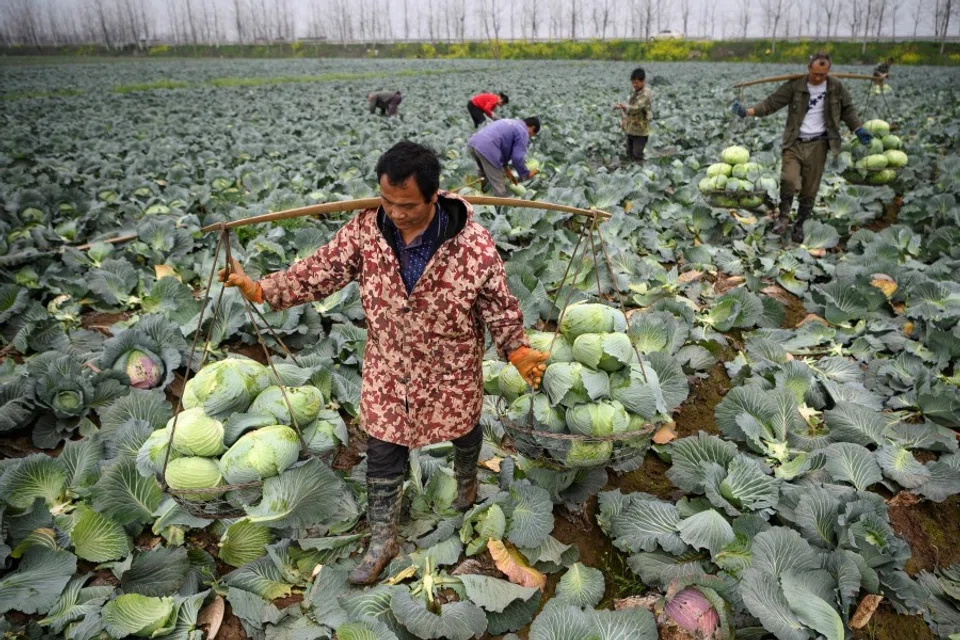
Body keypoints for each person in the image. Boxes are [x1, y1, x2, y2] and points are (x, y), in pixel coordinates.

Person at [219, 141, 549, 585]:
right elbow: (319, 271)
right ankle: (382, 539)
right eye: (387, 201)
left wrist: (516, 348)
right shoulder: (365, 231)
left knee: (464, 426)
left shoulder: (472, 245)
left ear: (434, 197)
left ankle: (466, 480)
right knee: (382, 446)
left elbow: (499, 302)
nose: (395, 212)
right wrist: (262, 289)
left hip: (450, 362)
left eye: (407, 205)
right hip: (389, 363)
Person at [731, 52, 873, 242]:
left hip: (819, 144)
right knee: (788, 179)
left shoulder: (835, 86)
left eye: (823, 75)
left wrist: (858, 128)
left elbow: (848, 110)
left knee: (810, 189)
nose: (818, 78)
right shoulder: (796, 86)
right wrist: (747, 112)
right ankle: (783, 218)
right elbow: (772, 103)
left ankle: (800, 224)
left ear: (828, 72)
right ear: (809, 69)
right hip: (794, 142)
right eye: (815, 74)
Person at [467, 117, 541, 197]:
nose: (529, 137)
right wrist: (525, 174)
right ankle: (500, 206)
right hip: (488, 149)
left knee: (484, 176)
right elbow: (517, 158)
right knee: (499, 188)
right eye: (532, 134)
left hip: (473, 143)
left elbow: (502, 145)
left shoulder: (510, 122)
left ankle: (481, 199)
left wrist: (506, 168)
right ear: (533, 128)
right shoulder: (523, 132)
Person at [615, 67, 653, 164]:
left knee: (637, 155)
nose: (634, 85)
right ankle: (632, 173)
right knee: (630, 153)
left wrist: (623, 106)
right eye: (633, 82)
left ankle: (640, 172)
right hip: (631, 128)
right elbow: (629, 106)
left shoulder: (646, 94)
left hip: (640, 131)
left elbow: (636, 108)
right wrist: (624, 118)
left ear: (643, 81)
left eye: (636, 82)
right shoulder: (634, 92)